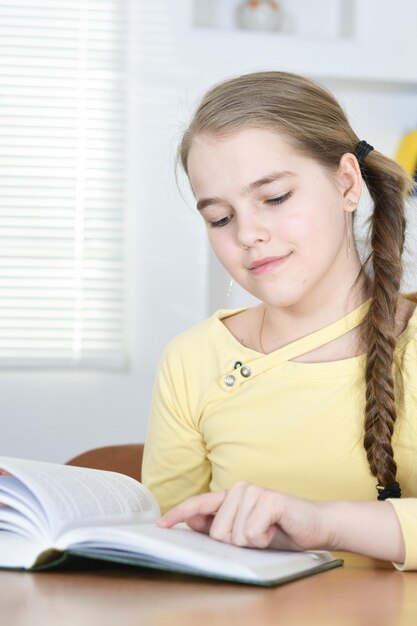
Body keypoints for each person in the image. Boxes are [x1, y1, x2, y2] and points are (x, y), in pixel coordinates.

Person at [142, 71, 417, 569]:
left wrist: (325, 523)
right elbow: (166, 545)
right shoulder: (192, 361)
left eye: (274, 198)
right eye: (220, 218)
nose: (248, 234)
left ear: (347, 183)